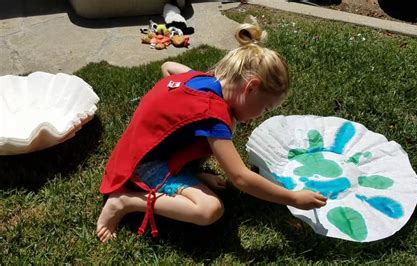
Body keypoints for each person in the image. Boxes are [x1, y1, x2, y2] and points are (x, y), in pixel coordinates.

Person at [96, 16, 327, 242]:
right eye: (265, 108)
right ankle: (127, 201)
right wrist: (293, 198)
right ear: (251, 88)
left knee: (192, 146)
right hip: (142, 164)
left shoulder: (202, 79)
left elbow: (168, 66)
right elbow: (240, 177)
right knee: (210, 210)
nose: (261, 115)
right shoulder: (213, 116)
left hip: (138, 146)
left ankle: (188, 176)